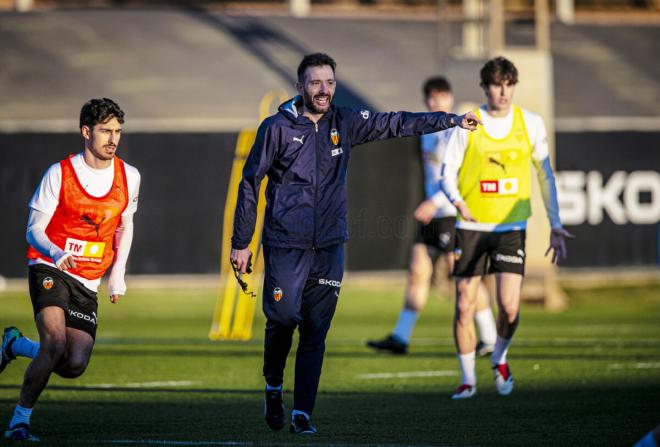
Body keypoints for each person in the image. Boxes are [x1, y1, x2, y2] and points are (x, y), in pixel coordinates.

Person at [230, 53, 479, 435]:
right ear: (300, 87)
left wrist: (450, 121)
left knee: (315, 329)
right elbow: (250, 183)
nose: (324, 89)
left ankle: (303, 414)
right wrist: (241, 241)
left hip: (330, 244)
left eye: (329, 82)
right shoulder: (276, 128)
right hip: (285, 242)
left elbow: (396, 122)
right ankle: (273, 386)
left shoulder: (344, 122)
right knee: (282, 320)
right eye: (315, 83)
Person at [1, 98, 141, 441]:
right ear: (85, 132)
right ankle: (19, 421)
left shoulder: (130, 176)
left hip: (89, 279)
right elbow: (33, 228)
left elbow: (125, 226)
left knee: (73, 363)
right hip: (49, 265)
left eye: (117, 131)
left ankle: (14, 346)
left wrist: (117, 275)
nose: (113, 138)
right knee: (54, 341)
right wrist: (55, 250)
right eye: (105, 131)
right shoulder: (59, 173)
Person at [437, 56, 574, 399]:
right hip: (471, 226)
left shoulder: (530, 123)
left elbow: (545, 176)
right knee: (465, 303)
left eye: (509, 84)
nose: (503, 91)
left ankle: (499, 356)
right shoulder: (470, 123)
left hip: (511, 227)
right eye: (497, 84)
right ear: (485, 87)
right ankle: (468, 379)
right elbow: (446, 171)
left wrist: (556, 223)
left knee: (510, 307)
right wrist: (456, 200)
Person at [366, 76, 497, 356]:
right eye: (431, 98)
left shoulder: (460, 129)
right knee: (418, 272)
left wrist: (435, 201)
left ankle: (490, 337)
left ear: (450, 98)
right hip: (432, 216)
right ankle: (400, 337)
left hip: (452, 212)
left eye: (441, 97)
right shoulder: (427, 131)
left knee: (463, 276)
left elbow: (465, 177)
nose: (436, 102)